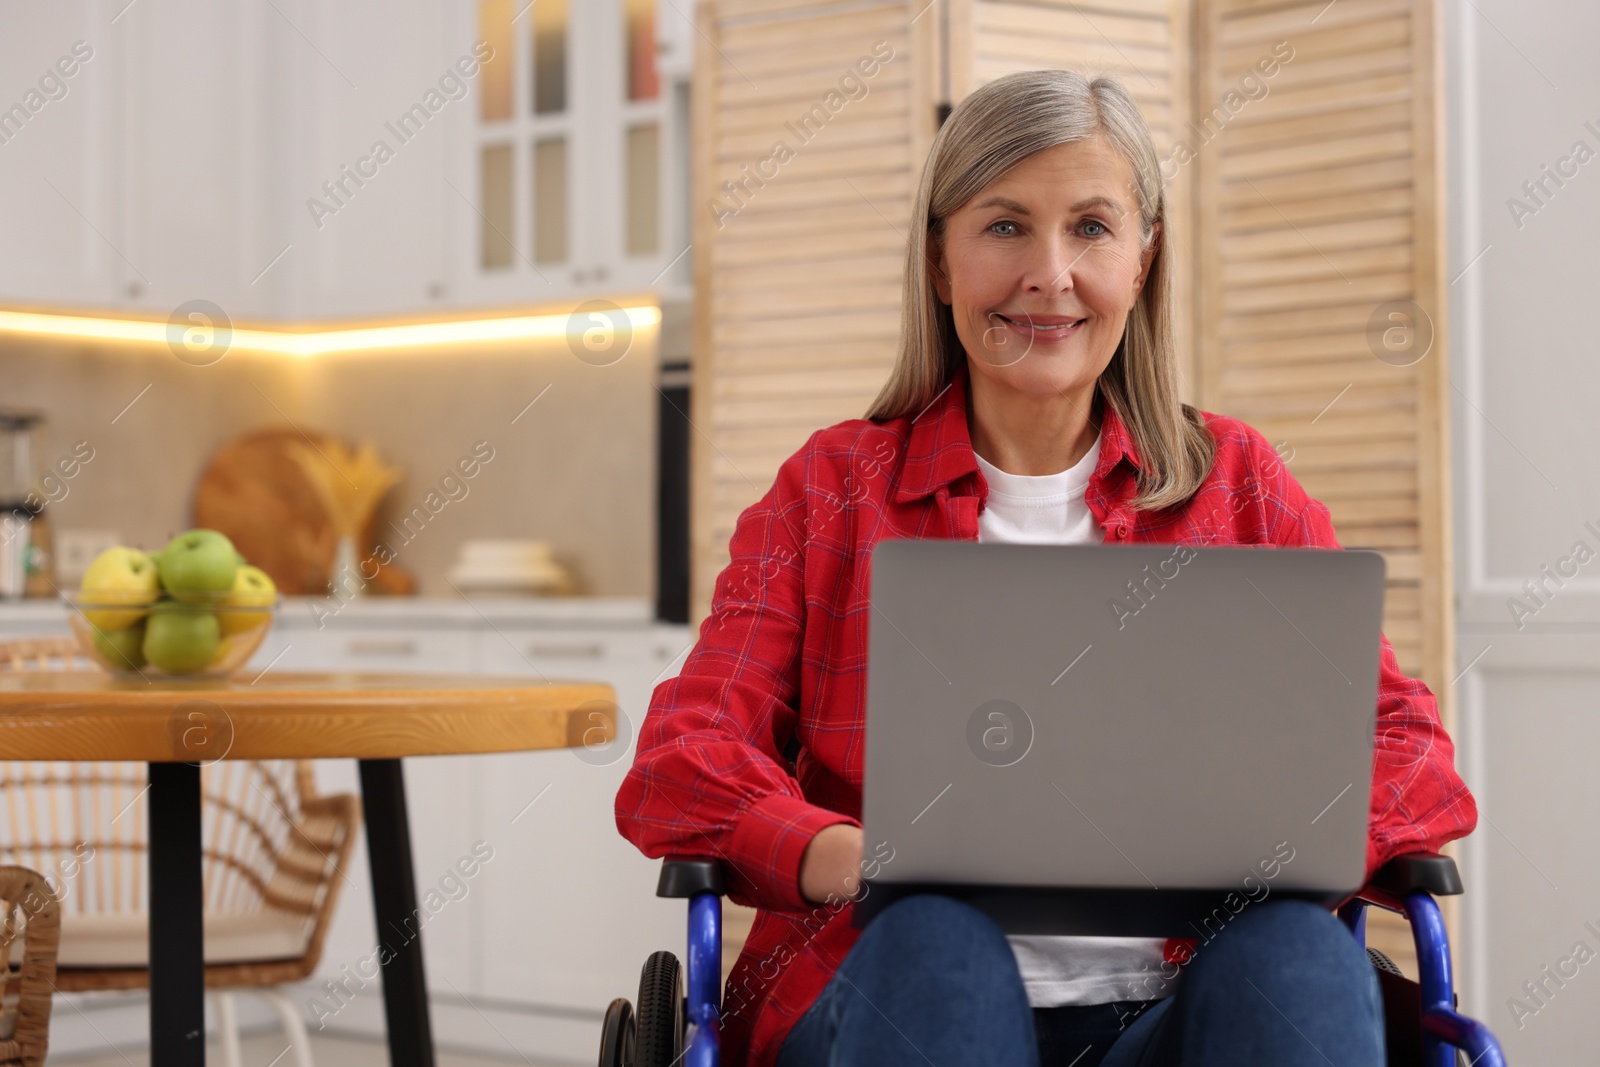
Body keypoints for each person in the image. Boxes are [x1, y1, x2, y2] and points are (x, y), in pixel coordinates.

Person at [614, 68, 1478, 1067]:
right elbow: (682, 761)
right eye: (1005, 225)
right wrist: (837, 854)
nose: (1050, 273)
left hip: (1169, 1013)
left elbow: (1407, 741)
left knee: (1297, 950)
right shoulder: (830, 491)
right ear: (940, 260)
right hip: (891, 995)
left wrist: (1303, 845)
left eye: (1092, 228)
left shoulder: (1238, 485)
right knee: (938, 937)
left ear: (1144, 260)